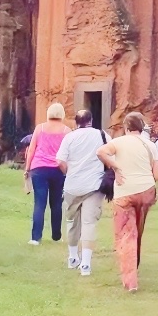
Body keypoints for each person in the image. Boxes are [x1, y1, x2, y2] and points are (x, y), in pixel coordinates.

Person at [97, 112, 158, 292]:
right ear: (142, 127)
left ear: (126, 127)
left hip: (125, 191)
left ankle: (130, 280)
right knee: (138, 232)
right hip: (146, 190)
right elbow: (157, 175)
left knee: (127, 234)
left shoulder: (118, 142)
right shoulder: (150, 145)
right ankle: (135, 264)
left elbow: (101, 152)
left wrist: (116, 166)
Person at [57, 109, 107, 276]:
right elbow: (111, 153)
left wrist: (68, 172)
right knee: (89, 224)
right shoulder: (102, 135)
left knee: (72, 222)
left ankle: (72, 258)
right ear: (91, 120)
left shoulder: (69, 137)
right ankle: (85, 264)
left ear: (76, 122)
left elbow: (60, 161)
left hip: (72, 185)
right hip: (94, 185)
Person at [24, 104, 71, 245]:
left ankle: (35, 237)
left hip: (39, 168)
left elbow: (31, 149)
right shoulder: (67, 131)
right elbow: (69, 153)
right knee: (56, 203)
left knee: (39, 203)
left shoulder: (40, 128)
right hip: (58, 168)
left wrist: (27, 168)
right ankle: (56, 236)